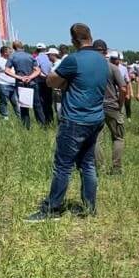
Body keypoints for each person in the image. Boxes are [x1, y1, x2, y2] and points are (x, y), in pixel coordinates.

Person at [25, 23, 109, 222]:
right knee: (87, 164)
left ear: (73, 40)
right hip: (96, 118)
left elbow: (51, 81)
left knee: (63, 166)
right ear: (90, 37)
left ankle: (52, 209)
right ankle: (89, 207)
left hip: (75, 119)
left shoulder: (73, 59)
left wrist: (65, 82)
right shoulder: (102, 60)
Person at [96, 43, 128, 174]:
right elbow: (123, 88)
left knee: (96, 140)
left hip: (95, 106)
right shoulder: (113, 68)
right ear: (106, 52)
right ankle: (116, 168)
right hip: (112, 105)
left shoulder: (88, 68)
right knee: (118, 137)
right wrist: (120, 104)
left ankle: (100, 168)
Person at [5, 40, 42, 129]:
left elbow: (7, 70)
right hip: (32, 82)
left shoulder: (12, 57)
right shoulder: (30, 56)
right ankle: (43, 126)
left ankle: (26, 127)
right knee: (37, 105)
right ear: (22, 46)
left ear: (14, 47)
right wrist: (30, 77)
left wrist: (19, 77)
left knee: (24, 107)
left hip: (21, 83)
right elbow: (38, 70)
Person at [0, 45, 18, 119]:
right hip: (2, 84)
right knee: (4, 101)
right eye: (9, 51)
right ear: (4, 53)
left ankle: (20, 117)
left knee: (16, 101)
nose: (11, 52)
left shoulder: (12, 60)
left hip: (13, 84)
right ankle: (4, 117)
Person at [35, 43, 55, 125]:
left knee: (42, 103)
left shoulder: (37, 58)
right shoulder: (49, 57)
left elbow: (37, 71)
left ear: (37, 50)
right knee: (49, 102)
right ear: (45, 49)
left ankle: (45, 122)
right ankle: (51, 120)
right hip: (50, 81)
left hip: (41, 82)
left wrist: (44, 76)